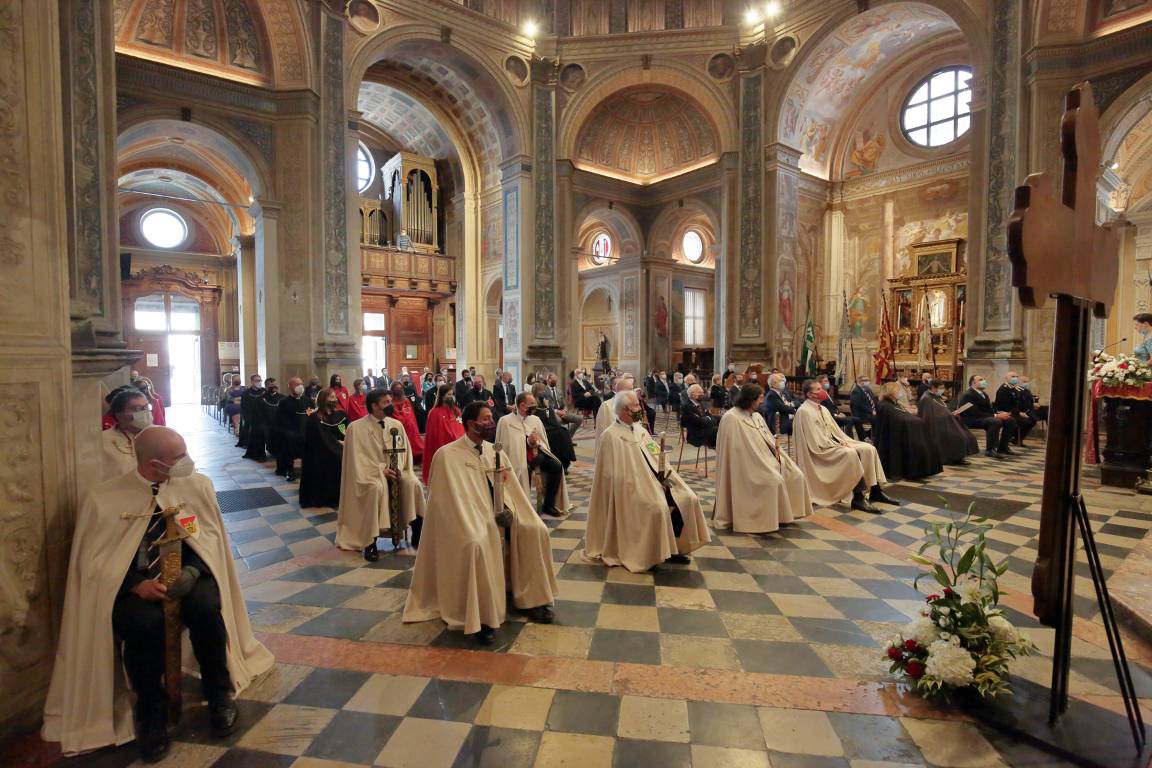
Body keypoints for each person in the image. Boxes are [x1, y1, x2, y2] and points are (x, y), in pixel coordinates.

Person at [43, 427, 273, 761]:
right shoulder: (104, 499)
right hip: (135, 585)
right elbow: (92, 563)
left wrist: (193, 571)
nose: (187, 461)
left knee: (207, 609)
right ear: (153, 464)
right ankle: (151, 715)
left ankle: (219, 694)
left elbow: (206, 539)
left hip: (189, 575)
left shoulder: (195, 486)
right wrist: (135, 584)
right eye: (178, 457)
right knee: (142, 626)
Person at [403, 402, 558, 645]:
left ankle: (532, 599)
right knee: (478, 541)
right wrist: (483, 519)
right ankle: (482, 617)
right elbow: (448, 501)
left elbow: (510, 488)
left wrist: (510, 511)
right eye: (485, 419)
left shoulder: (494, 450)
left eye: (491, 419)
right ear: (470, 423)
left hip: (500, 513)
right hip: (468, 517)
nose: (490, 423)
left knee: (535, 529)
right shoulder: (448, 454)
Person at [585, 390, 710, 572]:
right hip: (630, 487)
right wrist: (634, 483)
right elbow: (608, 474)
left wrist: (662, 462)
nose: (640, 408)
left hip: (656, 479)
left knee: (687, 498)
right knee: (656, 507)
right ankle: (651, 553)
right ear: (624, 410)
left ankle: (674, 548)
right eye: (636, 405)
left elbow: (654, 453)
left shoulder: (640, 430)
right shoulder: (610, 436)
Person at [336, 390, 426, 561]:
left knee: (412, 483)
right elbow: (357, 459)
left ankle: (417, 530)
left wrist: (396, 467)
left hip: (396, 470)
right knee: (375, 488)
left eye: (390, 401)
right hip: (369, 475)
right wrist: (380, 470)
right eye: (386, 402)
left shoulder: (396, 425)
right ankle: (370, 541)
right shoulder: (356, 428)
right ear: (374, 406)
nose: (391, 404)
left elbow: (404, 451)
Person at [714, 384, 812, 533]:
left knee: (796, 474)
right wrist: (763, 463)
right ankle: (763, 519)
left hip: (767, 458)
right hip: (747, 465)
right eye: (760, 398)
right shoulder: (731, 418)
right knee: (773, 480)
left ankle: (784, 515)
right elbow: (736, 451)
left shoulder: (757, 416)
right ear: (750, 399)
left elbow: (767, 439)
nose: (762, 402)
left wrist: (778, 454)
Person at [792, 379, 897, 513]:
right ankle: (858, 498)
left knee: (868, 449)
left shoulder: (823, 408)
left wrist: (844, 441)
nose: (823, 391)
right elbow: (813, 441)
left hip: (834, 442)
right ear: (809, 394)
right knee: (850, 453)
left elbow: (834, 430)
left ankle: (876, 491)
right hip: (821, 450)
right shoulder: (804, 411)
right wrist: (837, 445)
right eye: (818, 389)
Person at [496, 392, 570, 518]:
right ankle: (524, 507)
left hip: (537, 456)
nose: (535, 407)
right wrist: (527, 441)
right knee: (524, 469)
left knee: (556, 466)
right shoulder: (506, 421)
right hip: (516, 459)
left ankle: (549, 505)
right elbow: (507, 445)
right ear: (522, 405)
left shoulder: (535, 420)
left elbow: (543, 442)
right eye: (532, 404)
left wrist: (536, 444)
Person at [873, 383, 943, 481]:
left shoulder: (894, 403)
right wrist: (912, 421)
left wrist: (913, 419)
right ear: (891, 392)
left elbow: (901, 414)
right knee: (917, 445)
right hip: (895, 435)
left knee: (927, 442)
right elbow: (895, 420)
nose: (899, 393)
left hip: (903, 430)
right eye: (898, 391)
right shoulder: (885, 405)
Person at [299, 389, 348, 508]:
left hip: (337, 445)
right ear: (322, 399)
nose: (334, 399)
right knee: (336, 458)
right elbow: (318, 438)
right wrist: (336, 445)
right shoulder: (314, 416)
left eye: (334, 397)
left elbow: (343, 431)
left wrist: (345, 440)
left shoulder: (340, 415)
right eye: (330, 397)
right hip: (320, 450)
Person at [918, 382, 979, 465]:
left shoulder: (935, 396)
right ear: (933, 387)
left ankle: (958, 457)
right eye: (941, 388)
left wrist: (951, 414)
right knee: (959, 437)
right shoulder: (926, 398)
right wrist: (948, 415)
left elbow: (942, 410)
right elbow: (928, 415)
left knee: (968, 436)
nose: (942, 390)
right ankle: (951, 458)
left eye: (943, 388)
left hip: (946, 422)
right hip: (937, 425)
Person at [959, 374, 1018, 459]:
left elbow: (988, 409)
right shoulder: (968, 394)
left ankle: (1003, 447)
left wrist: (999, 413)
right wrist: (996, 416)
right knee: (995, 421)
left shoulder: (984, 394)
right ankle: (990, 450)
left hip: (984, 417)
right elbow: (974, 412)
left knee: (1010, 420)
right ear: (973, 383)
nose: (984, 381)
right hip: (972, 419)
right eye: (980, 379)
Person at [103, 389, 152, 475]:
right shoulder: (102, 441)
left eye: (146, 407)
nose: (144, 412)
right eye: (137, 409)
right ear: (119, 414)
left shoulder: (163, 434)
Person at [531, 383, 578, 471]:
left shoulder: (545, 402)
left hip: (551, 426)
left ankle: (565, 462)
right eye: (542, 390)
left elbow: (553, 417)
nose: (544, 392)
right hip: (542, 428)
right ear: (537, 391)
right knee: (556, 435)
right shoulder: (533, 403)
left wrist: (548, 406)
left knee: (564, 432)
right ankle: (558, 462)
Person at [422, 384, 464, 485]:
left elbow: (460, 425)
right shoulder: (434, 412)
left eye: (452, 394)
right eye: (448, 395)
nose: (451, 397)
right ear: (442, 396)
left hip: (457, 443)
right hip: (441, 444)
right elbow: (434, 433)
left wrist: (458, 437)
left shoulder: (456, 410)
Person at [276, 377, 309, 481]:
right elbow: (281, 420)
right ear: (290, 387)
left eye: (301, 384)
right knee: (288, 442)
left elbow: (311, 415)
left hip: (305, 431)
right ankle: (289, 470)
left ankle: (308, 471)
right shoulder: (284, 402)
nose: (300, 386)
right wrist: (290, 431)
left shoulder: (307, 401)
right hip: (290, 432)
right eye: (296, 384)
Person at [994, 371, 1036, 446]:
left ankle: (1016, 439)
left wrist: (1020, 412)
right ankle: (1013, 440)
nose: (1015, 378)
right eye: (1013, 376)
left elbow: (1017, 403)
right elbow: (1005, 405)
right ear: (1006, 378)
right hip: (1005, 412)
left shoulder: (1013, 389)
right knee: (1026, 422)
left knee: (1032, 420)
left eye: (1016, 376)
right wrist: (1018, 413)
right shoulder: (1004, 389)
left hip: (1014, 412)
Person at [243, 378, 280, 462]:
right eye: (272, 385)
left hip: (278, 423)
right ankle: (260, 454)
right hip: (264, 423)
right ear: (267, 386)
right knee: (260, 430)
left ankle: (278, 452)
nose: (275, 386)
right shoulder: (260, 399)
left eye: (276, 384)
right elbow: (255, 416)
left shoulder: (282, 397)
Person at [594, 376, 636, 447]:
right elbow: (602, 430)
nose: (632, 392)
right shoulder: (606, 406)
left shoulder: (635, 403)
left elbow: (638, 422)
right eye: (629, 389)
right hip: (615, 443)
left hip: (633, 439)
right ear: (618, 390)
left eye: (632, 389)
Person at [389, 382, 425, 463]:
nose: (399, 390)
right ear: (393, 390)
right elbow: (394, 415)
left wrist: (409, 421)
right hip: (398, 425)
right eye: (397, 389)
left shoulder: (406, 400)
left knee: (412, 431)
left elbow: (410, 413)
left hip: (410, 425)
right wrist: (403, 421)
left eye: (400, 388)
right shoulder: (390, 402)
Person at [680, 384, 719, 449]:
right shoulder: (686, 406)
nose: (703, 394)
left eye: (703, 392)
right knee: (718, 430)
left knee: (721, 424)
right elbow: (700, 422)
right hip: (695, 436)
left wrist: (709, 419)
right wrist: (708, 419)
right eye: (700, 393)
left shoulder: (700, 404)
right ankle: (720, 451)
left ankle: (721, 450)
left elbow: (708, 417)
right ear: (692, 395)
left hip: (705, 430)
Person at [236, 374, 264, 448]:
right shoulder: (246, 393)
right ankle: (246, 442)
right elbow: (244, 407)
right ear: (252, 382)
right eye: (257, 381)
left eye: (260, 380)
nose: (259, 382)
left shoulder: (264, 391)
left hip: (262, 414)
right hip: (249, 414)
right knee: (248, 423)